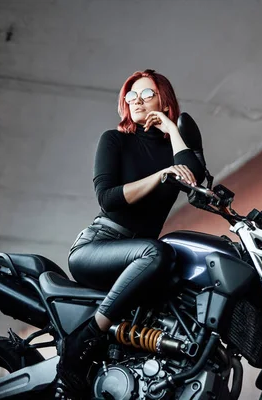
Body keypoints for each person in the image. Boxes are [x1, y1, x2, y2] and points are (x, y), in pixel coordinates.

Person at [51, 69, 205, 399]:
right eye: (131, 96)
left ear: (164, 100)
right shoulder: (115, 140)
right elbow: (107, 197)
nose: (136, 101)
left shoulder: (177, 148)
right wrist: (160, 176)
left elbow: (194, 179)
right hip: (99, 245)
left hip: (138, 255)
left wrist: (171, 130)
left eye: (146, 95)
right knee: (158, 252)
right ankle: (85, 338)